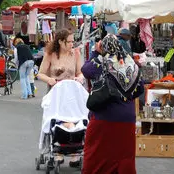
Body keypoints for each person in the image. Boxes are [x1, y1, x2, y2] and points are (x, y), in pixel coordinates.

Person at [81, 35, 143, 174]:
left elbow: (86, 70)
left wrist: (95, 52)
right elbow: (139, 89)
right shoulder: (131, 64)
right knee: (123, 157)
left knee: (96, 158)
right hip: (127, 119)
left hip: (104, 118)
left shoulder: (102, 61)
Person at [36, 29, 84, 167]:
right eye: (68, 42)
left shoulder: (75, 53)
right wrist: (50, 79)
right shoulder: (50, 54)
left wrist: (79, 78)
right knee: (58, 118)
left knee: (75, 117)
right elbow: (40, 74)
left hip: (71, 93)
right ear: (60, 42)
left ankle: (75, 152)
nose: (71, 44)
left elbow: (80, 72)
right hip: (56, 91)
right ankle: (57, 152)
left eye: (72, 41)